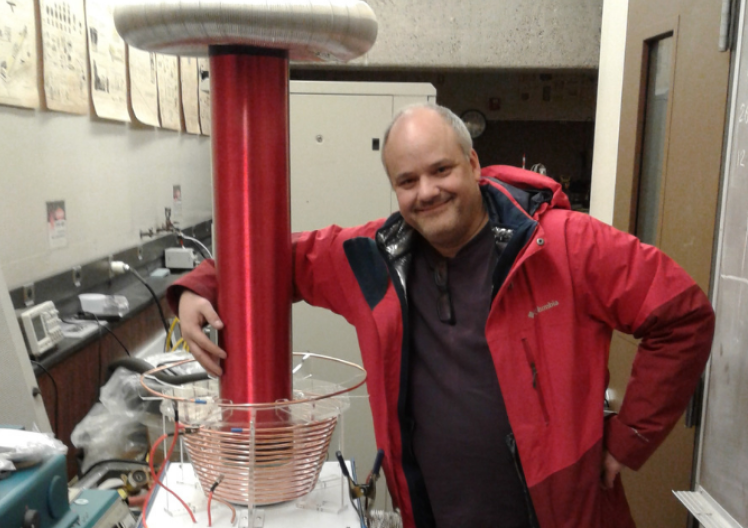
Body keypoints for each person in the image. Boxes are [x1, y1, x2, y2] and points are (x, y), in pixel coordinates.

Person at [167, 104, 714, 528]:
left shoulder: (565, 246)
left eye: (441, 169)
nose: (427, 192)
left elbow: (683, 317)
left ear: (474, 164)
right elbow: (274, 259)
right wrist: (200, 286)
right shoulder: (373, 259)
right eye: (407, 181)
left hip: (564, 516)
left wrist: (631, 437)